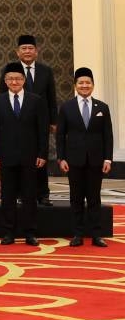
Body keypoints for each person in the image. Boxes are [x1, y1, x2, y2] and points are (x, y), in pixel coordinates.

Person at [0, 63, 48, 246]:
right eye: (10, 79)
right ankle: (9, 232)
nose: (14, 82)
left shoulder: (36, 100)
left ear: (24, 80)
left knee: (29, 195)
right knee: (7, 196)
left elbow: (42, 131)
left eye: (18, 78)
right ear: (5, 81)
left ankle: (30, 232)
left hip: (30, 156)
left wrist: (42, 154)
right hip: (6, 156)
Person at [0, 34, 58, 207]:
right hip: (16, 122)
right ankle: (19, 193)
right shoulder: (10, 71)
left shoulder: (46, 71)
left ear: (36, 52)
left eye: (30, 48)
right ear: (17, 52)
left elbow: (51, 98)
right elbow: (3, 97)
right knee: (18, 159)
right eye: (23, 48)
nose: (27, 51)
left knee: (40, 158)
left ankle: (43, 194)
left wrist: (53, 121)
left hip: (41, 122)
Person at [57, 67, 113, 247]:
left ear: (93, 85)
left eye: (88, 82)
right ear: (75, 85)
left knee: (94, 197)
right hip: (73, 160)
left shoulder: (102, 107)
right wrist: (61, 158)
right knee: (76, 198)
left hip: (96, 160)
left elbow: (108, 135)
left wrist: (108, 158)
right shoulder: (67, 107)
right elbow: (60, 135)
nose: (84, 85)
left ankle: (96, 235)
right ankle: (78, 234)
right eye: (81, 82)